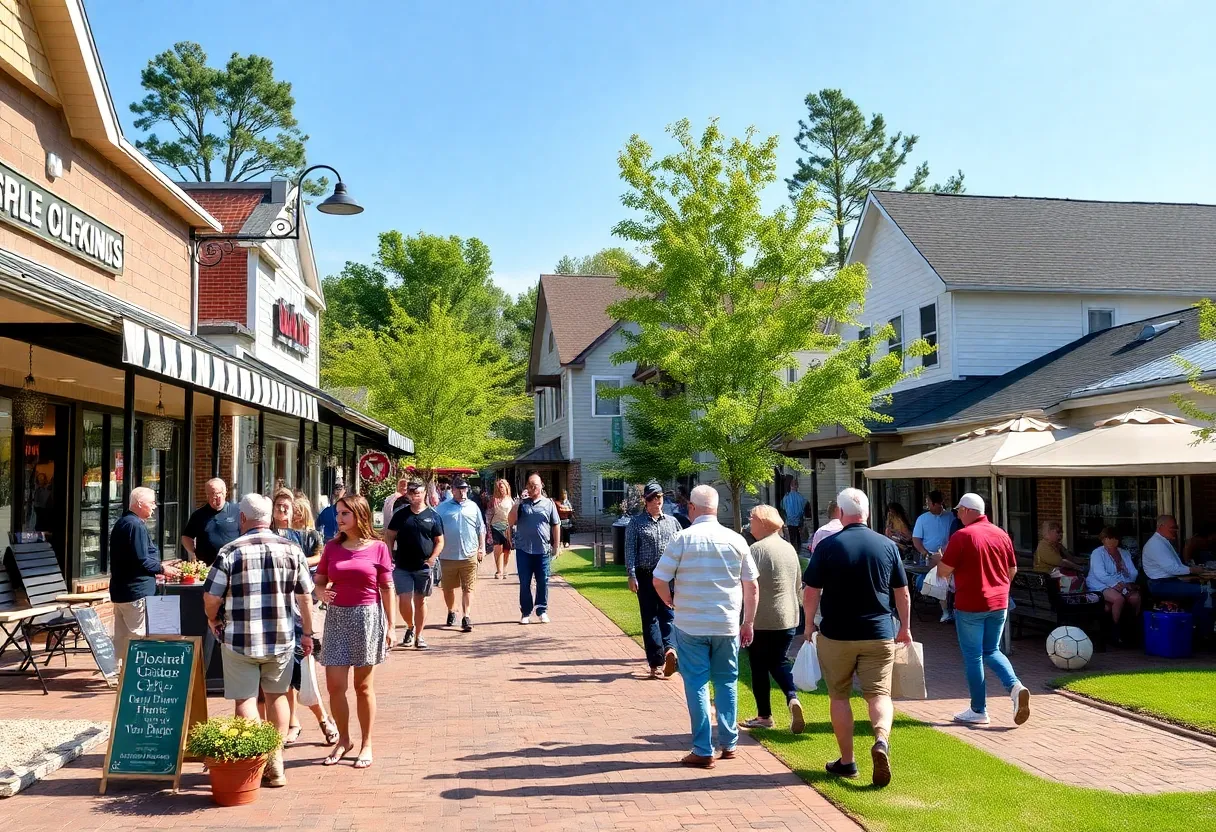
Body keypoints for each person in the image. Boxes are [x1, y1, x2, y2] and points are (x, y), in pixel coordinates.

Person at [202, 493, 315, 787]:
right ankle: (275, 758)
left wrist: (213, 619)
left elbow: (211, 596)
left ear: (242, 519)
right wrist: (307, 632)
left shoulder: (230, 551)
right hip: (280, 637)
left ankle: (255, 760)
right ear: (268, 517)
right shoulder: (291, 549)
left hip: (240, 638)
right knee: (278, 696)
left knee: (245, 699)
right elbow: (305, 596)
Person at [802, 488, 909, 787]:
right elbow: (902, 593)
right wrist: (906, 628)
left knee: (839, 696)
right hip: (879, 632)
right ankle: (881, 740)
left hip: (837, 634)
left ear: (839, 512)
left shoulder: (828, 545)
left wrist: (809, 625)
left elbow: (811, 591)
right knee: (879, 694)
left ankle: (847, 761)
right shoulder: (887, 546)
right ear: (868, 513)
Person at [652, 485, 758, 770]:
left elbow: (659, 579)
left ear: (692, 509)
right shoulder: (736, 539)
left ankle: (702, 748)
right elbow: (752, 585)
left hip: (691, 623)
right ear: (717, 507)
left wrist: (670, 601)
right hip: (726, 623)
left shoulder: (682, 538)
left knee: (697, 682)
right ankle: (730, 742)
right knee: (726, 680)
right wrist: (748, 621)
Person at [315, 494, 395, 769]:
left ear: (359, 515)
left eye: (344, 514)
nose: (339, 518)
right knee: (335, 686)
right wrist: (321, 593)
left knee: (363, 687)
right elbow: (319, 581)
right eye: (338, 513)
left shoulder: (378, 548)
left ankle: (366, 743)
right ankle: (344, 740)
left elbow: (386, 588)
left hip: (367, 617)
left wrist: (392, 626)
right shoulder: (332, 547)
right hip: (337, 618)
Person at [936, 493, 1029, 727]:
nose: (957, 514)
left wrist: (937, 560)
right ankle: (1015, 687)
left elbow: (944, 571)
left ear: (968, 511)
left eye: (959, 510)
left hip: (970, 604)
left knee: (974, 656)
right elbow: (1012, 569)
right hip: (999, 603)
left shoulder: (962, 536)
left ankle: (979, 709)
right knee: (992, 650)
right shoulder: (1001, 534)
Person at [268, 489, 337, 747]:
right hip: (271, 614)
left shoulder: (301, 537)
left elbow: (317, 560)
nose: (283, 510)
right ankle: (292, 724)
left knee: (300, 673)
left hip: (295, 615)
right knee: (280, 678)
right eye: (279, 506)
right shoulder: (268, 536)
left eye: (287, 506)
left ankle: (324, 720)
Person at [740, 505, 804, 734]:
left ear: (764, 523)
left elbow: (747, 584)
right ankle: (791, 696)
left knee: (759, 665)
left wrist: (744, 618)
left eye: (752, 519)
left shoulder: (756, 550)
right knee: (778, 660)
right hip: (788, 617)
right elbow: (798, 584)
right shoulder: (789, 549)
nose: (749, 523)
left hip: (762, 617)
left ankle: (764, 715)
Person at [109, 487, 180, 658]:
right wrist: (163, 569)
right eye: (152, 502)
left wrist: (159, 564)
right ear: (140, 504)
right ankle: (136, 676)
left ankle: (120, 676)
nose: (155, 506)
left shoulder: (123, 522)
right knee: (138, 637)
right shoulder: (135, 525)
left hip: (122, 591)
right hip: (136, 592)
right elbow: (141, 560)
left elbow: (133, 557)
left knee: (122, 638)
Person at [625, 481, 683, 679]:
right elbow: (630, 551)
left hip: (668, 575)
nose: (656, 501)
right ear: (645, 500)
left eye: (659, 497)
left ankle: (670, 651)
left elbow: (680, 550)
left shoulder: (672, 522)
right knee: (650, 617)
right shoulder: (636, 523)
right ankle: (656, 662)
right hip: (646, 574)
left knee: (668, 614)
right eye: (651, 498)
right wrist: (631, 575)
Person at [384, 481, 444, 650]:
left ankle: (419, 635)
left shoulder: (433, 516)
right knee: (404, 600)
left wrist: (432, 558)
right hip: (402, 565)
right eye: (411, 493)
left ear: (424, 493)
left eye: (417, 492)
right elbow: (389, 536)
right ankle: (410, 626)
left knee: (420, 600)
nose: (414, 495)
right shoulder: (401, 515)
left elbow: (439, 541)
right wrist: (389, 557)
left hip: (423, 566)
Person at [435, 476, 486, 632]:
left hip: (469, 554)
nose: (463, 491)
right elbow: (435, 530)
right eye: (459, 488)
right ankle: (451, 610)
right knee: (448, 588)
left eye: (465, 488)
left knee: (468, 588)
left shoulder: (473, 506)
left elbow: (481, 528)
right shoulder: (442, 508)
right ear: (453, 490)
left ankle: (466, 616)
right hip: (447, 555)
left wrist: (481, 548)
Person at [510, 474, 562, 625]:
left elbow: (556, 524)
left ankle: (541, 610)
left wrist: (556, 546)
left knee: (543, 581)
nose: (533, 488)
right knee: (524, 582)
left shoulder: (548, 504)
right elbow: (511, 520)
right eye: (530, 485)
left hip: (543, 550)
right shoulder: (522, 504)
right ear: (526, 486)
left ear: (541, 485)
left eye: (536, 485)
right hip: (523, 549)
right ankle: (526, 612)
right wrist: (518, 502)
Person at [1086, 526, 1142, 645]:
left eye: (1114, 538)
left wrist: (1128, 582)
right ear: (1103, 539)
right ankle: (1115, 631)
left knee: (1135, 598)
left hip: (1122, 583)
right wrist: (1116, 584)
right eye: (1108, 538)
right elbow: (1099, 574)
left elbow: (1133, 571)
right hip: (1099, 584)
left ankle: (1132, 629)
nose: (1111, 541)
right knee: (1118, 599)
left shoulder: (1124, 553)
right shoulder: (1097, 553)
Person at [914, 491, 955, 623]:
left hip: (949, 557)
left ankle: (952, 609)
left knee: (951, 581)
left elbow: (954, 537)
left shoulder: (951, 517)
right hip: (929, 556)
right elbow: (916, 539)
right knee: (939, 580)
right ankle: (946, 611)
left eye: (928, 503)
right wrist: (925, 553)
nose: (927, 506)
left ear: (937, 503)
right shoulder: (922, 519)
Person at [181, 478, 241, 566]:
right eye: (212, 494)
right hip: (206, 565)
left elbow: (246, 534)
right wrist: (193, 553)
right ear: (207, 495)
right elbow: (186, 537)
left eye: (218, 493)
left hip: (232, 563)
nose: (216, 497)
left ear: (225, 493)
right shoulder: (198, 515)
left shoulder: (236, 511)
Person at [487, 479, 514, 579]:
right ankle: (499, 570)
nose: (501, 489)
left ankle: (505, 568)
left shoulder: (510, 500)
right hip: (495, 526)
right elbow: (489, 514)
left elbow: (513, 514)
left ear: (507, 488)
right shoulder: (494, 500)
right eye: (499, 488)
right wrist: (488, 527)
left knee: (507, 549)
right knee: (497, 548)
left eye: (502, 487)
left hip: (507, 527)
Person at [780, 480, 808, 554]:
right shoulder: (801, 497)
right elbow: (804, 506)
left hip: (790, 520)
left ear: (790, 486)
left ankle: (793, 551)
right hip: (799, 520)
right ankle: (798, 550)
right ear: (797, 486)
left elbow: (782, 506)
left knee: (792, 536)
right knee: (798, 536)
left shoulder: (786, 497)